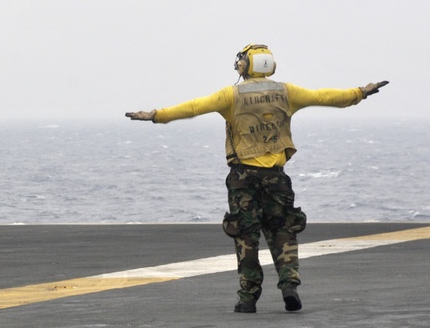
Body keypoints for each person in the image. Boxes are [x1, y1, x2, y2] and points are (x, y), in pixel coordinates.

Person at [125, 44, 388, 314]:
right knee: (283, 230)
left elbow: (193, 107)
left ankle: (248, 298)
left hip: (243, 178)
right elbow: (325, 96)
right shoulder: (287, 92)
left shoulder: (231, 95)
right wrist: (360, 93)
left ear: (244, 65)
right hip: (276, 177)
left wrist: (155, 116)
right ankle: (289, 285)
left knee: (245, 236)